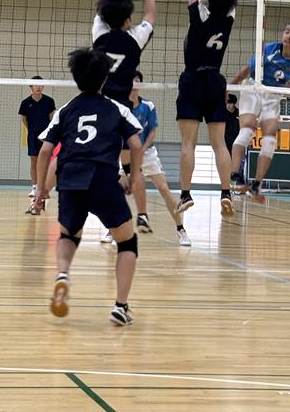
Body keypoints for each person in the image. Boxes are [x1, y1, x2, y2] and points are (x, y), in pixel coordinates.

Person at [34, 48, 144, 326]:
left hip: (70, 178)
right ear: (105, 78)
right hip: (103, 178)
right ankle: (120, 306)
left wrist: (40, 190)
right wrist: (133, 177)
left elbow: (45, 151)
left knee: (68, 234)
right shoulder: (117, 108)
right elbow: (136, 144)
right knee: (127, 241)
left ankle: (62, 274)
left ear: (76, 78)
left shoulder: (65, 110)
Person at [175, 0, 235, 218]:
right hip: (215, 81)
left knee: (188, 143)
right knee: (219, 143)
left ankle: (186, 194)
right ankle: (226, 191)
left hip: (192, 79)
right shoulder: (229, 17)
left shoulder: (200, 13)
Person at [92, 0, 155, 221]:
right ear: (128, 19)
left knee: (104, 157)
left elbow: (102, 10)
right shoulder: (136, 38)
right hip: (122, 108)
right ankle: (132, 189)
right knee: (132, 153)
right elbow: (151, 14)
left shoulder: (99, 34)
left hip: (98, 104)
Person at [230, 22, 290, 202]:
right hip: (253, 89)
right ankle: (234, 175)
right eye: (286, 31)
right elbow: (247, 70)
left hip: (273, 95)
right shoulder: (269, 50)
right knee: (247, 130)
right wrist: (229, 87)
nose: (288, 35)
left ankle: (257, 184)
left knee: (270, 138)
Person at [128, 71, 191, 246]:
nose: (134, 84)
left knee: (164, 189)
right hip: (126, 153)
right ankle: (111, 230)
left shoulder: (148, 106)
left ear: (141, 84)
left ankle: (180, 229)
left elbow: (153, 131)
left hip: (147, 153)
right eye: (131, 80)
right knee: (118, 190)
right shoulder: (121, 107)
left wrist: (142, 149)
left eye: (137, 80)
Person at [18, 76, 56, 205]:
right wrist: (32, 130)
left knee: (46, 162)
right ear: (31, 87)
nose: (38, 87)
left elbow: (51, 118)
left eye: (40, 85)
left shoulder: (49, 101)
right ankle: (34, 187)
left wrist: (46, 132)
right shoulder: (25, 102)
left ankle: (45, 187)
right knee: (34, 161)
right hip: (33, 135)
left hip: (46, 137)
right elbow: (24, 119)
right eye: (36, 85)